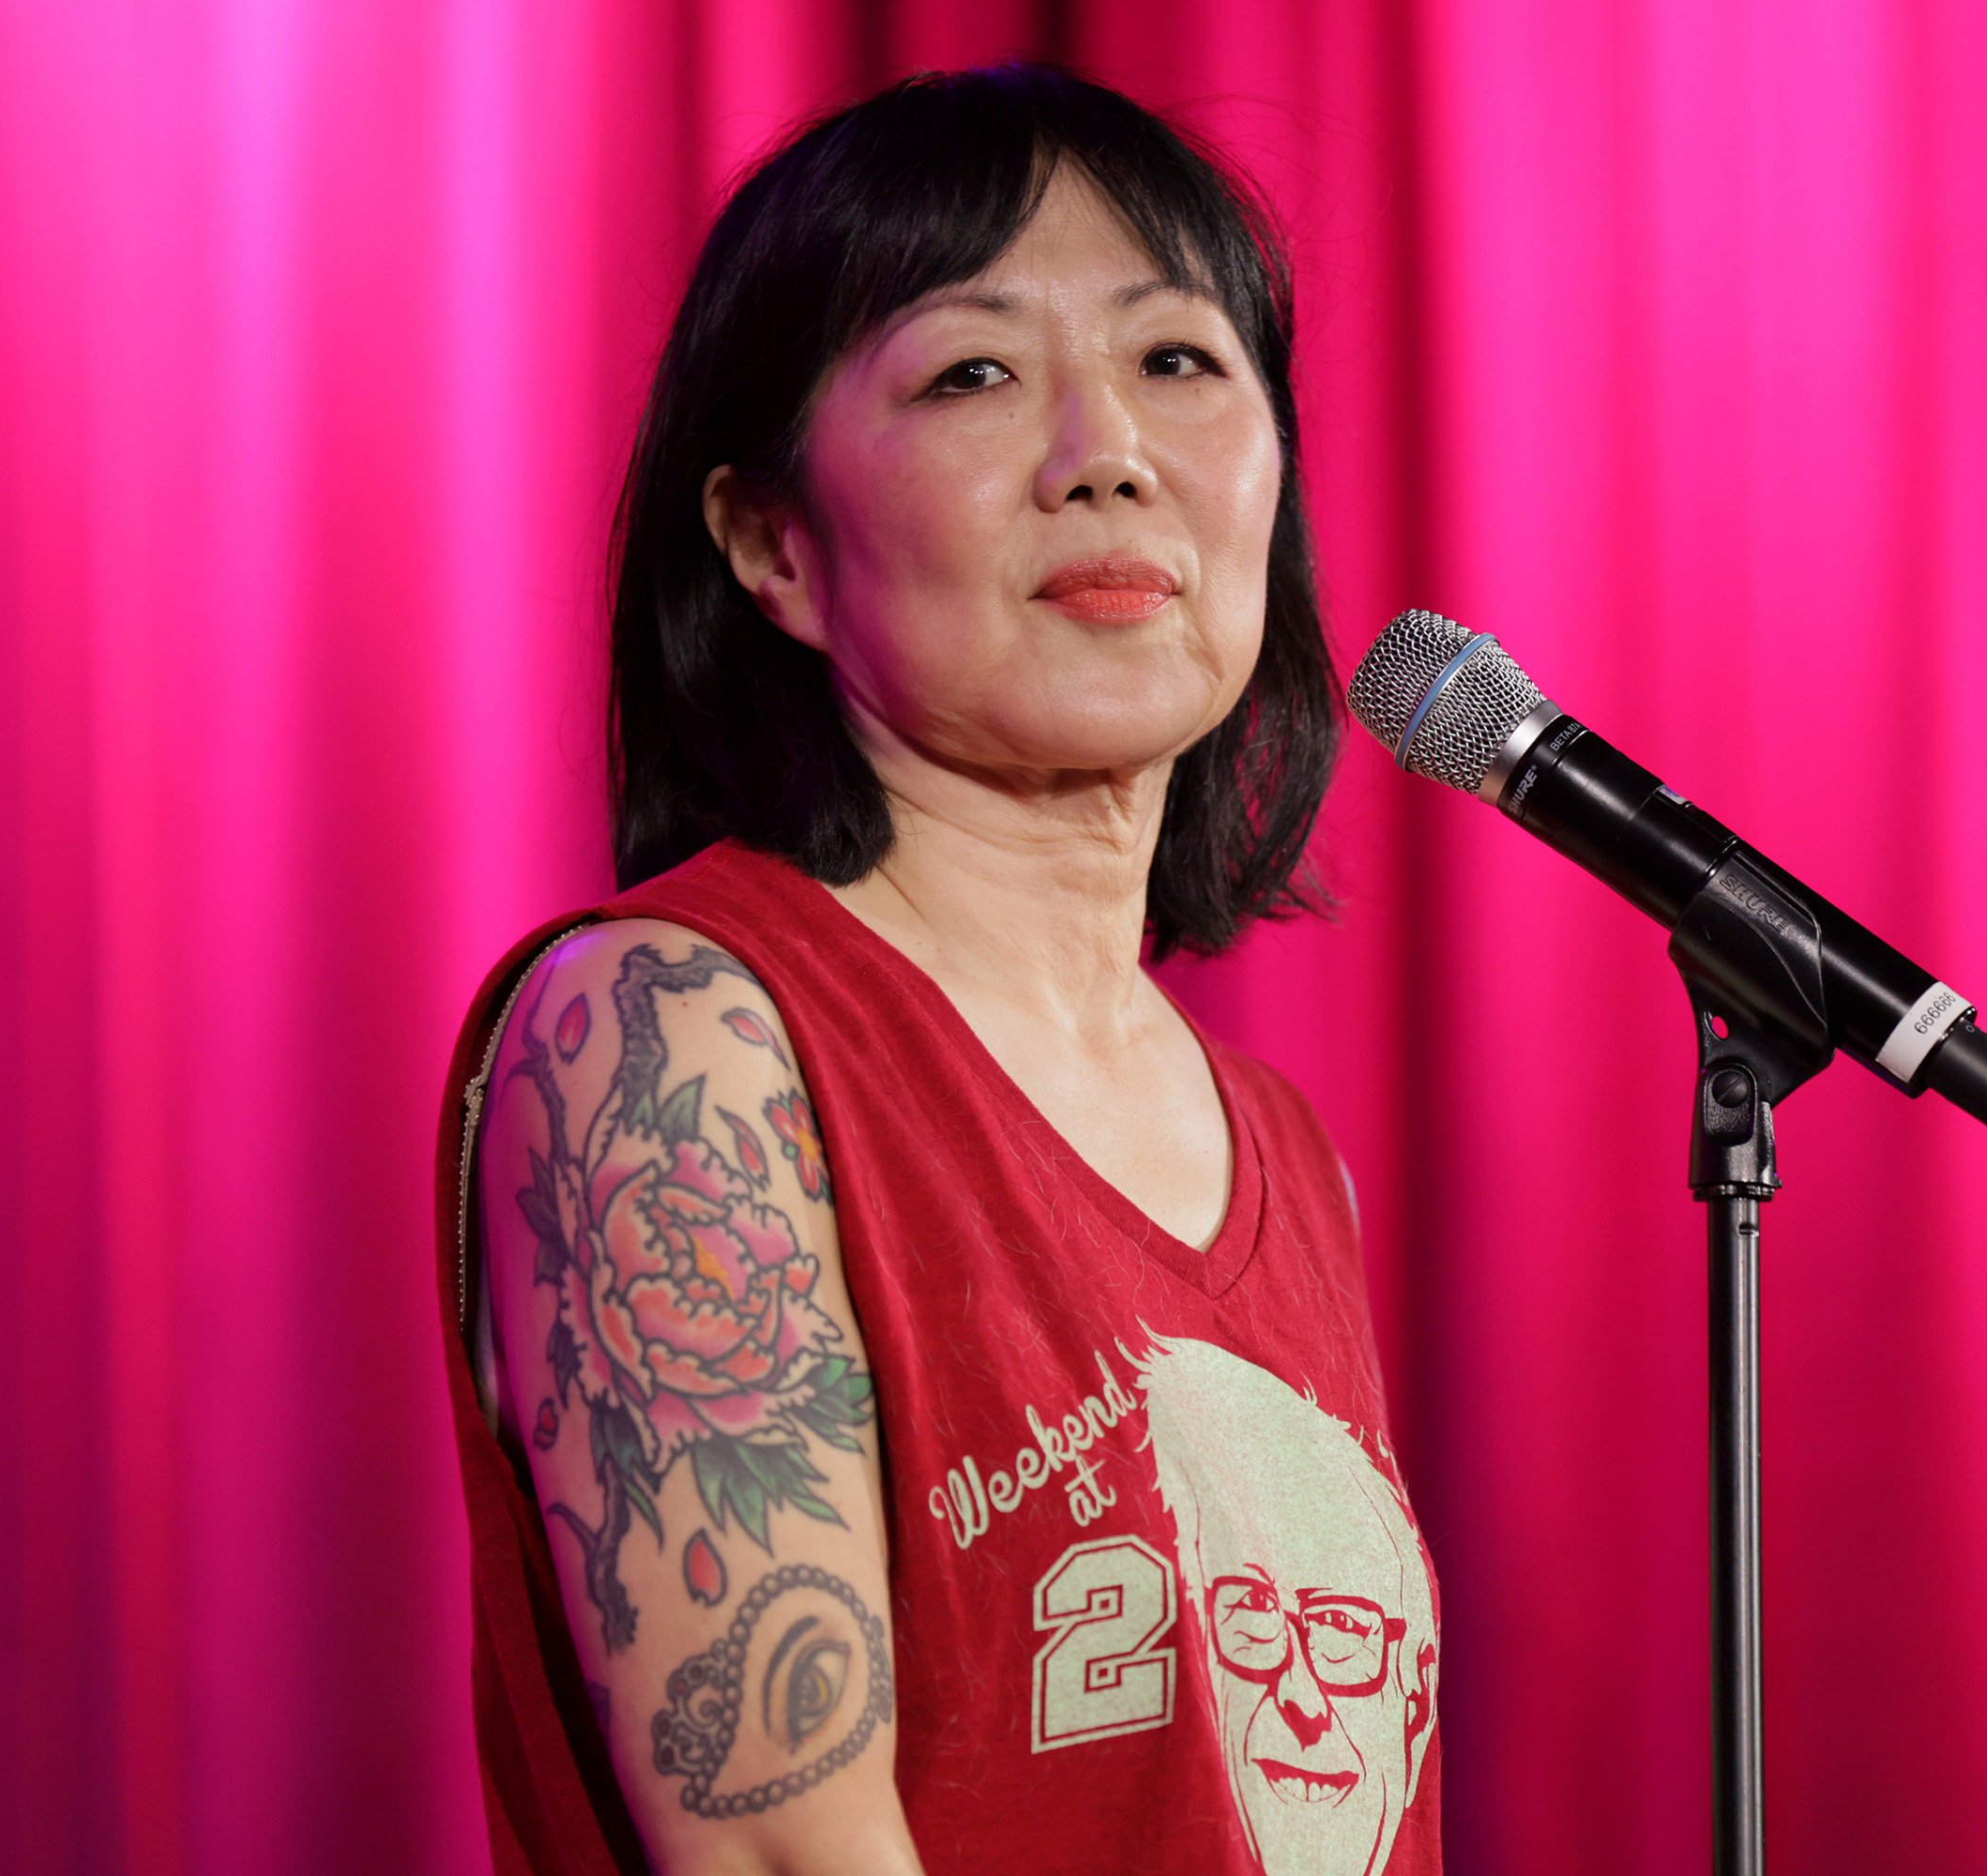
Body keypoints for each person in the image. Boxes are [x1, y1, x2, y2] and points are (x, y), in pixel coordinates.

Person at [433, 64, 1442, 1876]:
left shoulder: (1292, 1157)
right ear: (773, 545)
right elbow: (777, 1848)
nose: (1106, 452)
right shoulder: (671, 1040)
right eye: (974, 373)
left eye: (1179, 358)